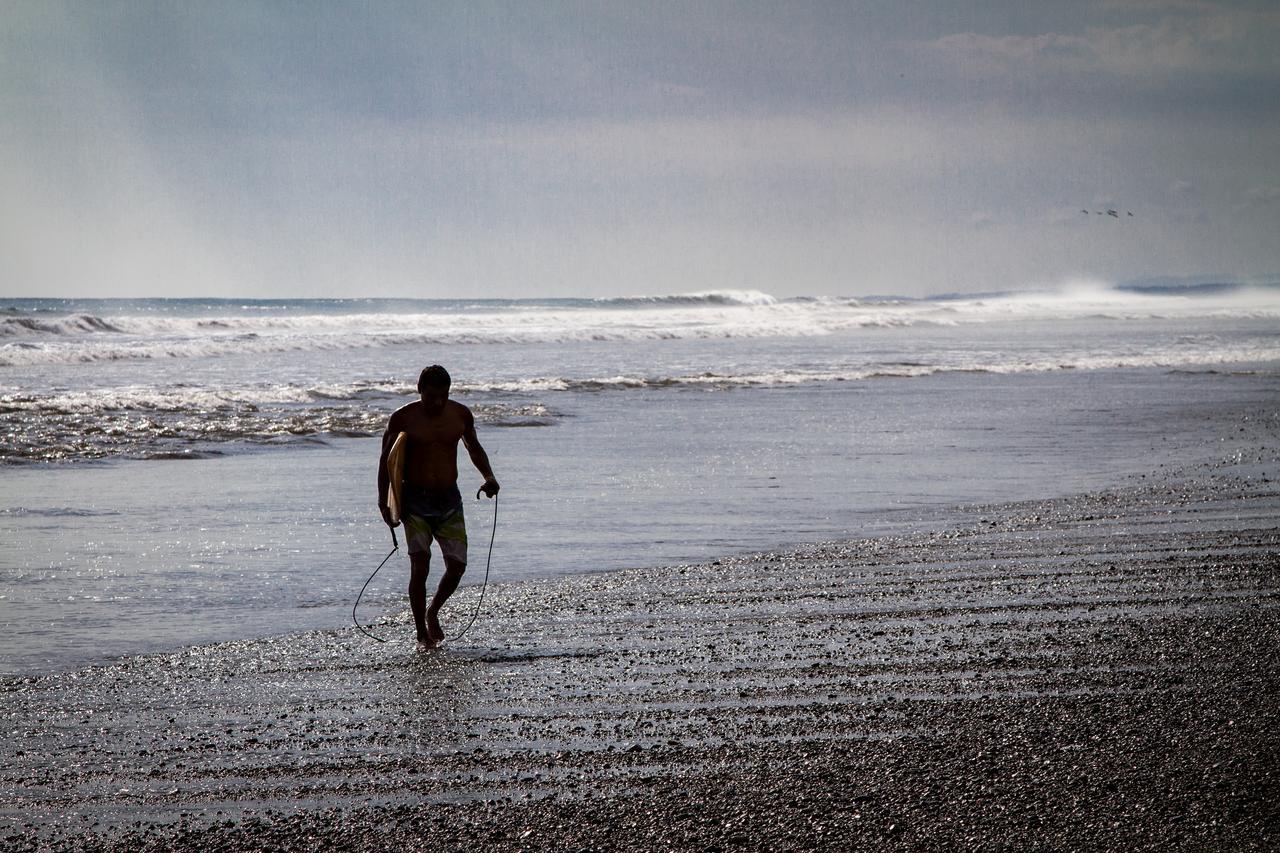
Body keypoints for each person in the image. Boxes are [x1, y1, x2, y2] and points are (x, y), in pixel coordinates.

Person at [378, 365, 499, 646]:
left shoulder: (460, 415)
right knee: (420, 566)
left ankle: (434, 611)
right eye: (431, 396)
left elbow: (474, 448)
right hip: (415, 501)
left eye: (443, 395)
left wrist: (489, 477)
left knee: (457, 566)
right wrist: (384, 503)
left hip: (449, 499)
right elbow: (387, 462)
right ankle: (421, 630)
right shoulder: (402, 418)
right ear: (419, 390)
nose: (437, 402)